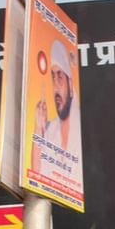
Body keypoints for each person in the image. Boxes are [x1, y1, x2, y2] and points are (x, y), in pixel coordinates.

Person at [31, 40, 82, 175]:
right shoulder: (49, 129)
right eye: (52, 77)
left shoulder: (82, 127)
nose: (56, 86)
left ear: (70, 86)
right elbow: (37, 175)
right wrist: (38, 129)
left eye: (60, 76)